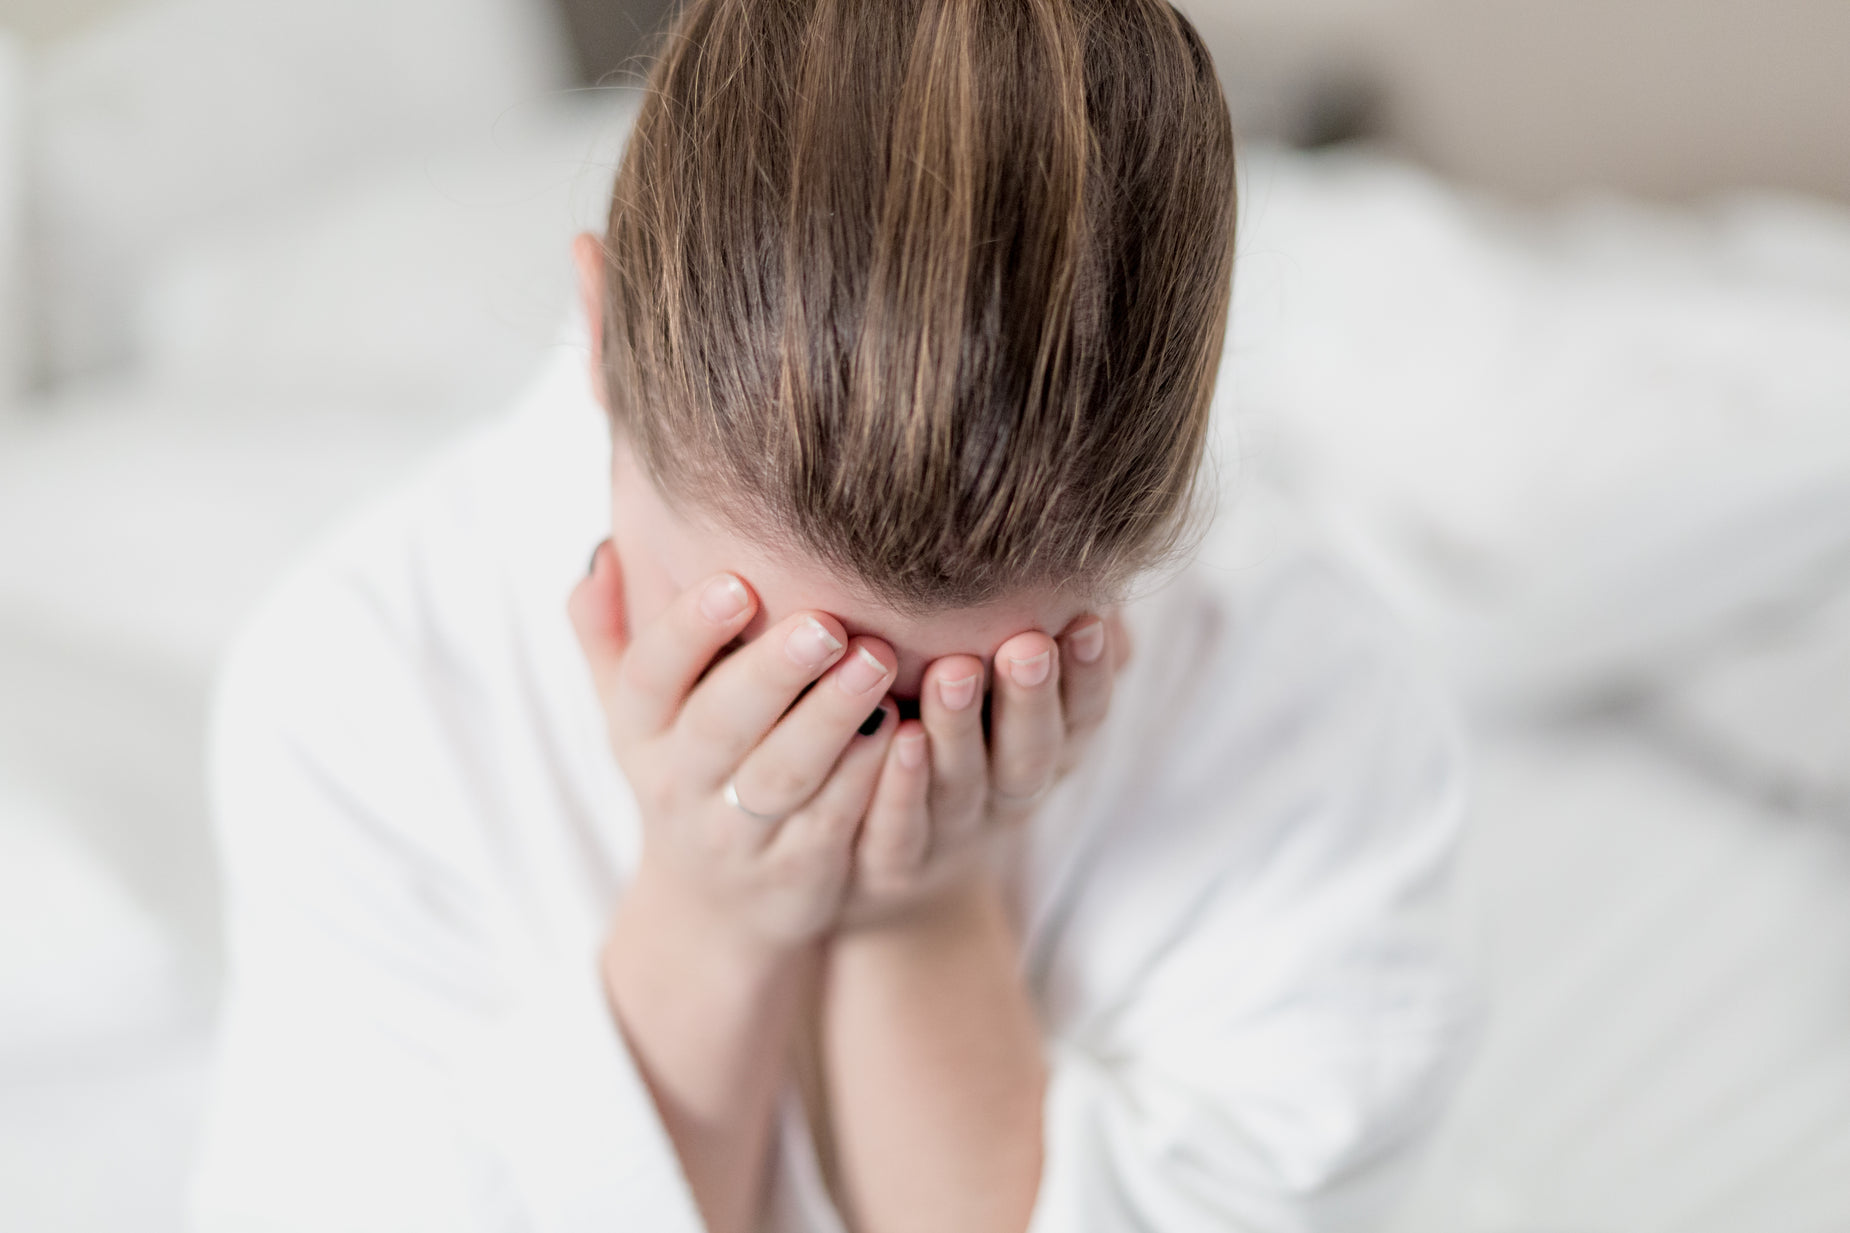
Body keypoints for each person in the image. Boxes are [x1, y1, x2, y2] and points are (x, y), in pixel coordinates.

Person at [191, 2, 1476, 1231]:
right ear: (601, 338)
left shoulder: (1316, 713)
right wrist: (706, 914)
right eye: (771, 665)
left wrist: (919, 904)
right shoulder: (363, 680)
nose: (849, 766)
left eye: (937, 708)